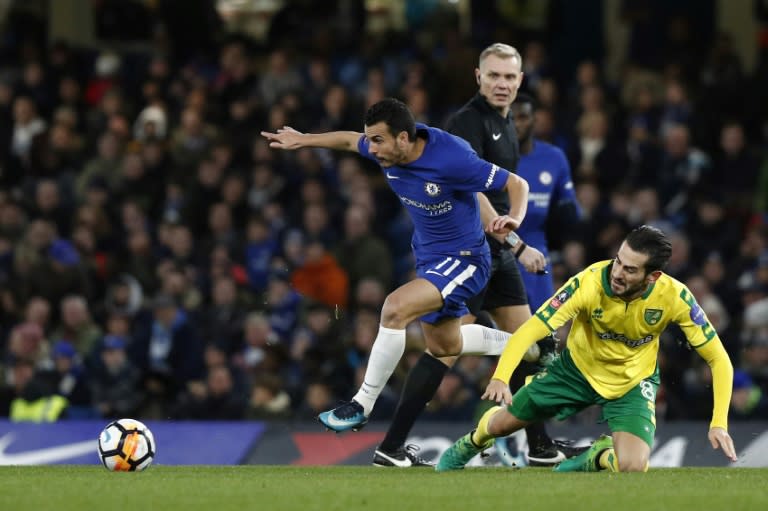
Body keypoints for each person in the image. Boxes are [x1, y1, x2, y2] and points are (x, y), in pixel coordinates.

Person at [261, 98, 530, 446]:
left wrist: (515, 220)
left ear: (403, 138)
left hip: (466, 258)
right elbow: (346, 140)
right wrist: (304, 139)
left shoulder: (452, 157)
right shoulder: (382, 148)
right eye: (369, 140)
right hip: (431, 259)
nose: (371, 149)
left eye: (377, 141)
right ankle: (528, 345)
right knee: (448, 343)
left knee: (394, 308)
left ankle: (361, 404)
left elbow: (517, 185)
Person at [371, 43, 579, 468]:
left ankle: (539, 446)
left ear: (520, 81)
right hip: (473, 251)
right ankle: (390, 446)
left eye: (509, 77)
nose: (502, 84)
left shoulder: (505, 124)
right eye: (494, 76)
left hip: (496, 250)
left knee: (531, 343)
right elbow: (470, 190)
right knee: (443, 349)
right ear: (478, 77)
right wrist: (516, 245)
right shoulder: (465, 124)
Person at [436, 225, 738, 472]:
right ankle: (472, 442)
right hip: (575, 372)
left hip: (632, 383)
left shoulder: (674, 297)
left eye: (630, 269)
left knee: (633, 467)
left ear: (653, 276)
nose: (618, 272)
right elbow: (530, 329)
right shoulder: (589, 283)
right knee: (501, 424)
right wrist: (502, 377)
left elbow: (719, 359)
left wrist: (719, 424)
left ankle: (597, 457)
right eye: (618, 260)